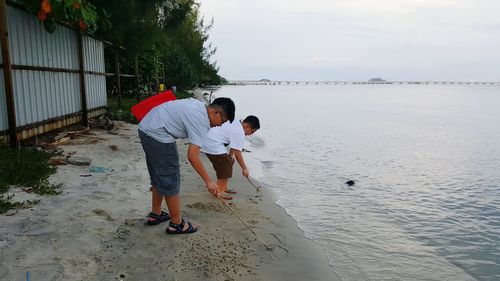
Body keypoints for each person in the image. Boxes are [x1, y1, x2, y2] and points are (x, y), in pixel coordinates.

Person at [138, 97, 235, 234]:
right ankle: (176, 224)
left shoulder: (199, 106)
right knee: (170, 178)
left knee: (158, 174)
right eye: (223, 121)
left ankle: (156, 214)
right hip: (158, 134)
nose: (220, 125)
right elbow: (192, 156)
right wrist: (209, 182)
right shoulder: (202, 121)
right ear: (216, 113)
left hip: (146, 127)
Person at [201, 115, 260, 198]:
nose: (250, 134)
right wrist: (244, 168)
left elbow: (234, 145)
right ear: (247, 126)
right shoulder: (239, 132)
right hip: (212, 144)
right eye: (252, 131)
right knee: (224, 166)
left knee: (229, 161)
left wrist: (231, 156)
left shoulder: (236, 123)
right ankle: (219, 191)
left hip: (211, 141)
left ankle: (224, 187)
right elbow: (238, 153)